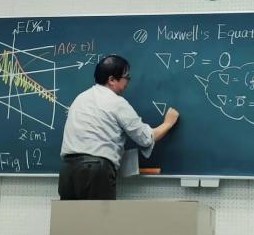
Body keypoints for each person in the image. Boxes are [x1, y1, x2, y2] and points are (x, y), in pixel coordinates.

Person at [59, 54, 179, 200]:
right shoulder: (116, 103)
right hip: (95, 171)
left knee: (70, 215)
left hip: (67, 171)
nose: (128, 82)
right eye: (126, 77)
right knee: (100, 215)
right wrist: (168, 123)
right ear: (111, 80)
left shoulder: (80, 98)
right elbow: (146, 138)